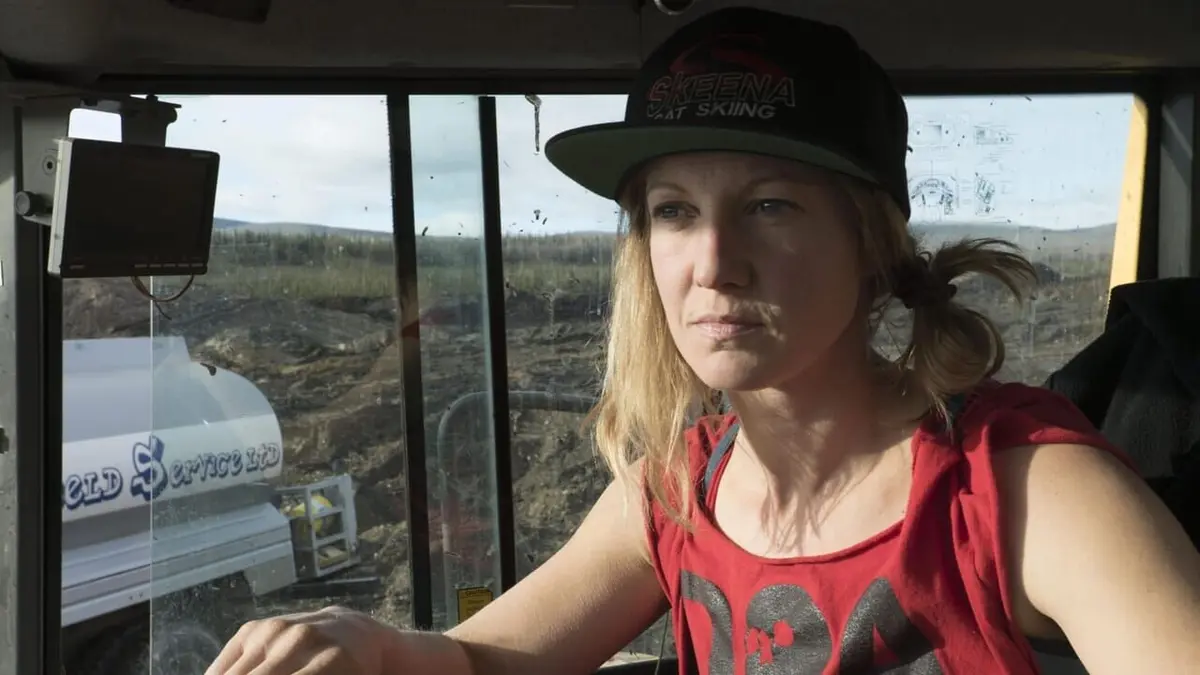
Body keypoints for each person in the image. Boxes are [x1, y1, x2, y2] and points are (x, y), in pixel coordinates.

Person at [205, 6, 1200, 675]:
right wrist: (369, 641)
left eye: (770, 205)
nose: (714, 262)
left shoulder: (1022, 489)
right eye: (675, 211)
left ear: (870, 240)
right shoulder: (677, 489)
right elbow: (483, 660)